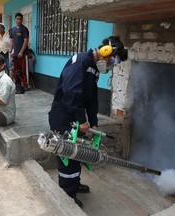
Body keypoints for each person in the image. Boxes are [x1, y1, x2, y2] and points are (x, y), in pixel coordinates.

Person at [48, 36, 128, 207]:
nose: (111, 64)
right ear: (105, 51)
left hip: (73, 115)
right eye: (112, 59)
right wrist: (80, 119)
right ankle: (67, 194)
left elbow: (92, 100)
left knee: (78, 151)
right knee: (66, 154)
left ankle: (74, 184)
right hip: (62, 114)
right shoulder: (82, 61)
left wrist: (92, 122)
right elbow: (71, 92)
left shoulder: (94, 69)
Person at [9, 13, 30, 91]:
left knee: (24, 69)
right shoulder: (13, 29)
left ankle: (26, 85)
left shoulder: (24, 29)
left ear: (22, 20)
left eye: (20, 19)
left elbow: (26, 41)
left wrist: (21, 52)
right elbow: (12, 40)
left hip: (23, 54)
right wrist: (11, 50)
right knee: (16, 70)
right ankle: (17, 84)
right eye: (17, 19)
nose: (19, 20)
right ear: (15, 19)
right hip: (15, 54)